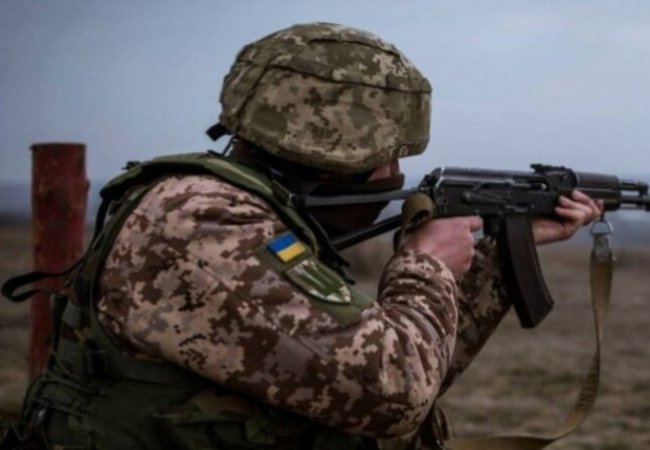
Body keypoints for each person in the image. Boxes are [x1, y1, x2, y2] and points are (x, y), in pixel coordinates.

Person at [3, 22, 602, 450]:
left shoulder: (250, 212)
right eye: (392, 155)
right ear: (341, 154)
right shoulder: (203, 223)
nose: (396, 174)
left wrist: (499, 257)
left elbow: (390, 367)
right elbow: (391, 396)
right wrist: (427, 266)